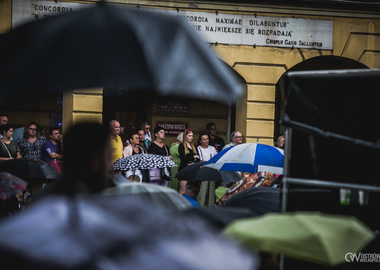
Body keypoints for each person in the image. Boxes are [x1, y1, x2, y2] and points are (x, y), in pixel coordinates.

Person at [37, 123, 114, 196]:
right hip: (51, 169)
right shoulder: (47, 144)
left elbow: (63, 152)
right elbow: (53, 155)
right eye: (55, 134)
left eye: (58, 133)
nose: (58, 135)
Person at [196, 132, 218, 207]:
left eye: (207, 139)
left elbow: (216, 158)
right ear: (200, 141)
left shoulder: (212, 148)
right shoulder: (198, 148)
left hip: (211, 170)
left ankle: (211, 206)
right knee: (203, 189)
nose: (206, 141)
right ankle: (201, 205)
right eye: (204, 139)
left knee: (211, 190)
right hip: (203, 170)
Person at [178, 129, 200, 194]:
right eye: (189, 136)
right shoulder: (181, 146)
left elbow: (198, 159)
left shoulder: (194, 146)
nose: (191, 137)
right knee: (183, 191)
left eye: (192, 136)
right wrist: (193, 157)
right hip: (184, 170)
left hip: (192, 170)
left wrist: (193, 162)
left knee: (191, 191)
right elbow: (183, 159)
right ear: (185, 136)